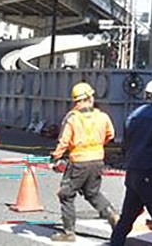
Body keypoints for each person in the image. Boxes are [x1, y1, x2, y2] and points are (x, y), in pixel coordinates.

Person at [110, 79, 152, 246]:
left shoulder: (134, 115)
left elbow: (126, 144)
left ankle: (116, 243)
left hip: (134, 172)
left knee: (127, 217)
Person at [50, 82, 119, 242]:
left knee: (66, 194)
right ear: (89, 98)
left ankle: (69, 232)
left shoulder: (72, 118)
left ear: (76, 100)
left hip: (78, 162)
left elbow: (64, 141)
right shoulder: (102, 116)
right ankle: (112, 215)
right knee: (92, 192)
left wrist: (55, 157)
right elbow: (111, 134)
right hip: (97, 160)